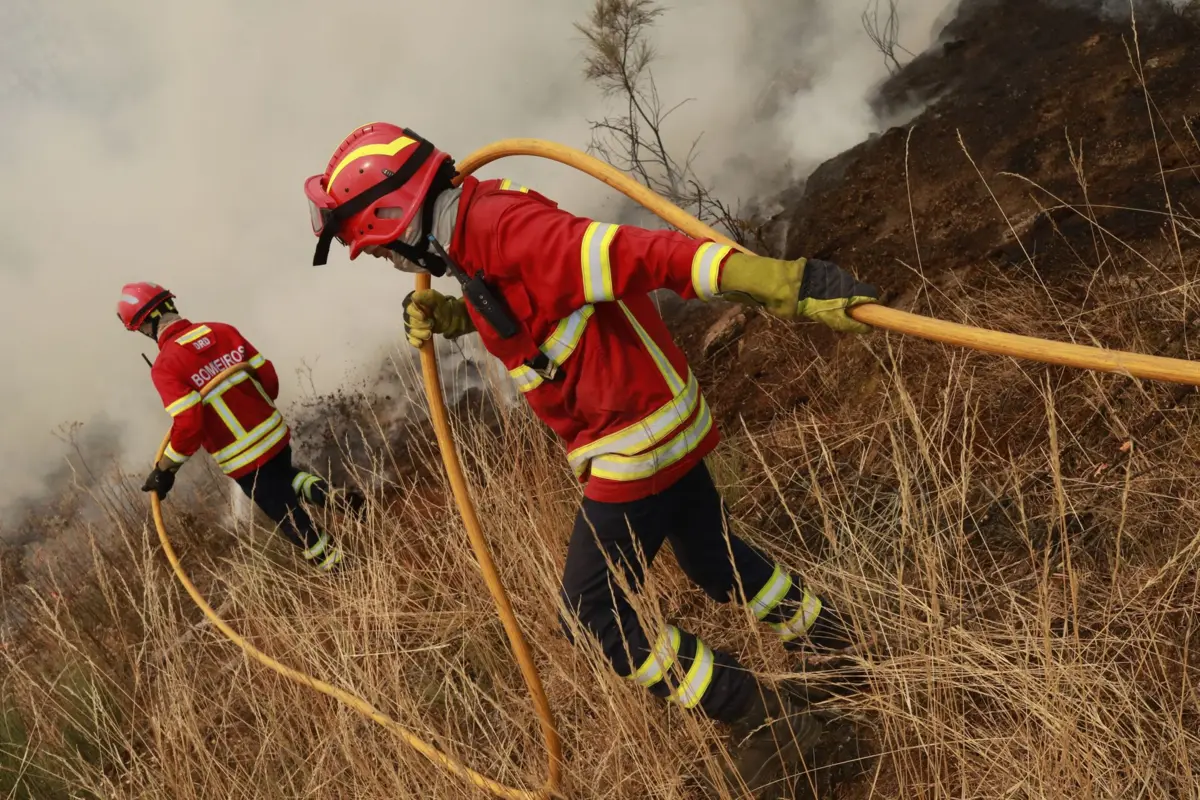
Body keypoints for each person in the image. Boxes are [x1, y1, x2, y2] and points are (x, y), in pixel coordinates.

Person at [303, 123, 878, 793]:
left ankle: (764, 721)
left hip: (635, 436)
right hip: (658, 417)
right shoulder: (473, 232)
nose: (390, 264)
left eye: (378, 251)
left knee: (591, 610)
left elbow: (645, 254)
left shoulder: (506, 228)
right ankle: (830, 643)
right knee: (711, 557)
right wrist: (459, 320)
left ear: (396, 217)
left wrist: (784, 283)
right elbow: (533, 307)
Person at [119, 282, 364, 573]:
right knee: (285, 478)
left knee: (287, 514)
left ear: (146, 323)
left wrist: (165, 469)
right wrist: (257, 408)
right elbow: (267, 376)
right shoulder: (222, 330)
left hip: (243, 458)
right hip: (274, 435)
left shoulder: (166, 366)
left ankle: (340, 567)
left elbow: (188, 425)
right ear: (170, 305)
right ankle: (335, 498)